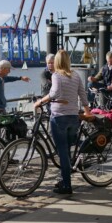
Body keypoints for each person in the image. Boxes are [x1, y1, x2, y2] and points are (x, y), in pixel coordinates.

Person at [34, 50, 91, 195]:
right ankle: (66, 174)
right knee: (68, 148)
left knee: (63, 152)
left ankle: (67, 185)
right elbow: (83, 94)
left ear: (58, 61)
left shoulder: (56, 75)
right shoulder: (76, 75)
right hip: (73, 116)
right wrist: (87, 110)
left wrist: (40, 101)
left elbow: (54, 93)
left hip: (59, 116)